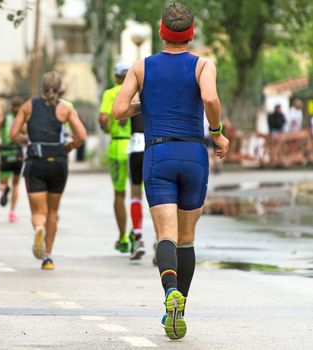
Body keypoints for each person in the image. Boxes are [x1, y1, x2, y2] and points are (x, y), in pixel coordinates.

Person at [112, 3, 229, 340]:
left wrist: (143, 102)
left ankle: (169, 296)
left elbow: (120, 111)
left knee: (166, 234)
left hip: (158, 153)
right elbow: (209, 98)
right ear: (190, 35)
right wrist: (217, 132)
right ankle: (179, 309)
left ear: (162, 32)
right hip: (193, 153)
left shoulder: (142, 67)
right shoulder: (203, 65)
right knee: (187, 239)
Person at [10, 71, 87, 270]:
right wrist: (68, 147)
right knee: (53, 211)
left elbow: (13, 133)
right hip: (58, 163)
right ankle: (48, 257)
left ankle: (39, 228)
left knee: (38, 211)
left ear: (41, 87)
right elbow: (82, 136)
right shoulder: (65, 109)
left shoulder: (28, 106)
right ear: (60, 87)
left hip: (36, 162)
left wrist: (27, 141)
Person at [99, 62, 132, 253]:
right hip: (139, 147)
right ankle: (139, 235)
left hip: (118, 145)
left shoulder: (110, 93)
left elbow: (103, 119)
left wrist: (107, 128)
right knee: (139, 195)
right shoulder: (138, 93)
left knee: (119, 195)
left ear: (116, 77)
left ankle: (123, 237)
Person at [0, 97, 24, 222]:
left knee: (3, 184)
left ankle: (5, 190)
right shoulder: (24, 120)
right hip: (18, 154)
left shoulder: (3, 120)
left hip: (5, 154)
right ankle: (12, 212)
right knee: (16, 184)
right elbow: (30, 136)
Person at [127, 112, 146, 260]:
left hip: (136, 146)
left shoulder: (134, 92)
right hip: (156, 144)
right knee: (159, 195)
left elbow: (120, 117)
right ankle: (160, 240)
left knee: (135, 192)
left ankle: (138, 238)